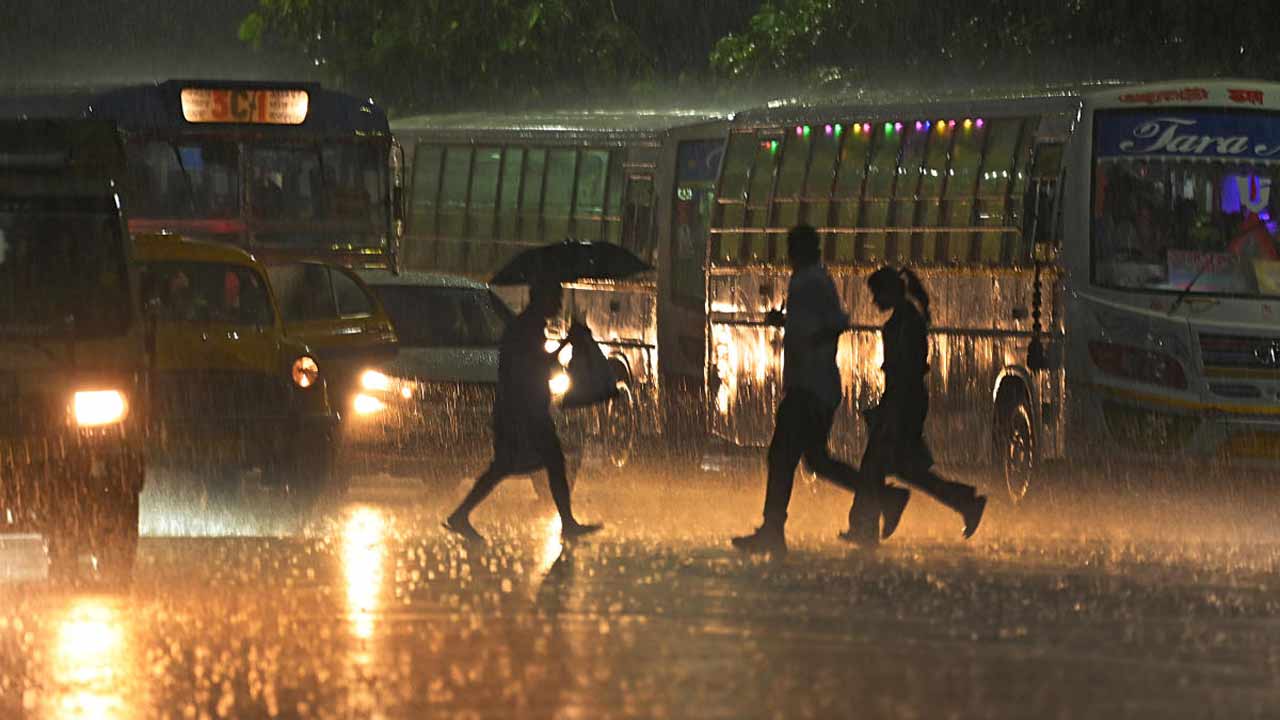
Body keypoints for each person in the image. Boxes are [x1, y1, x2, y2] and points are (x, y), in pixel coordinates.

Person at [731, 225, 909, 555]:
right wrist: (791, 326)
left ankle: (773, 530)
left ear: (798, 251)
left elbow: (827, 326)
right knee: (816, 460)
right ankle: (884, 496)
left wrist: (808, 338)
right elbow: (835, 322)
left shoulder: (806, 282)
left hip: (807, 387)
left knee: (782, 456)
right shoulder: (819, 280)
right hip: (819, 386)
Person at [444, 274, 602, 543]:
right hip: (522, 409)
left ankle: (461, 515)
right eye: (555, 298)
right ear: (540, 298)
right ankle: (566, 523)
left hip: (523, 407)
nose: (558, 305)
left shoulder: (529, 326)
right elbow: (536, 366)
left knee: (524, 464)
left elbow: (538, 364)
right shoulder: (526, 328)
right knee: (529, 463)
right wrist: (568, 341)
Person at [842, 267, 987, 543]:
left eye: (877, 294)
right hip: (905, 402)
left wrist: (889, 411)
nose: (874, 301)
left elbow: (904, 372)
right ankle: (963, 502)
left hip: (902, 403)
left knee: (873, 465)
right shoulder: (907, 320)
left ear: (890, 292)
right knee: (907, 469)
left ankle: (868, 522)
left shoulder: (904, 324)